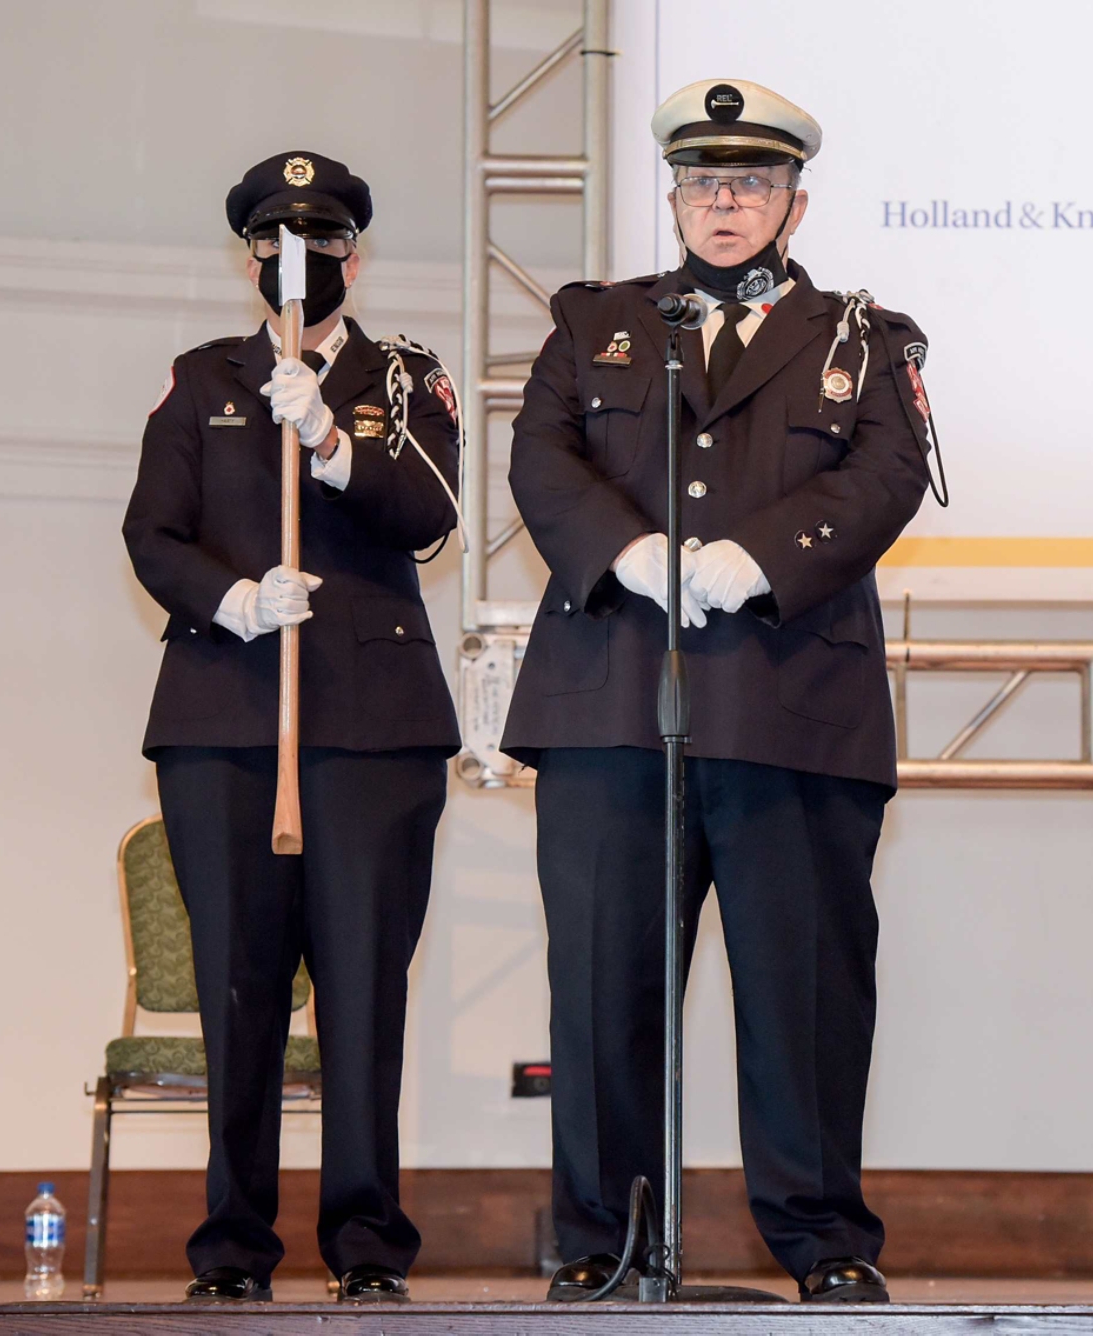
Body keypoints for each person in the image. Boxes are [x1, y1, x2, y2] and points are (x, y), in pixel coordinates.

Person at [498, 80, 937, 1304]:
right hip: (609, 703)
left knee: (801, 988)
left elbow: (887, 474)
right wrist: (625, 550)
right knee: (601, 985)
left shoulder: (866, 336)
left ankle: (820, 1239)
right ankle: (605, 1235)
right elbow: (543, 454)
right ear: (676, 195)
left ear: (795, 199)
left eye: (749, 183)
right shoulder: (598, 323)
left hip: (793, 704)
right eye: (703, 182)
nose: (724, 203)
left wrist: (764, 558)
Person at [121, 150, 462, 1304]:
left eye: (320, 244)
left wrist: (332, 442)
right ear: (253, 258)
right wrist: (228, 600)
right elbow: (152, 534)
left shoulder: (402, 375)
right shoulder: (200, 377)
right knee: (239, 984)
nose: (297, 262)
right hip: (225, 720)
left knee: (364, 989)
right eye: (276, 244)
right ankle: (232, 1246)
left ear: (353, 258)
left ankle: (367, 1246)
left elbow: (432, 514)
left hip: (372, 731)